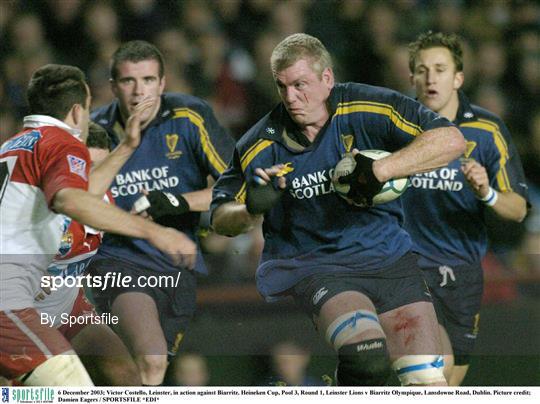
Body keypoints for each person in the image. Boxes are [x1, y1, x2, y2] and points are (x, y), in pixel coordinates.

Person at [211, 33, 466, 386]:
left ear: (327, 79)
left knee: (429, 382)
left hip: (390, 258)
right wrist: (251, 209)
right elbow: (219, 218)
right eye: (282, 86)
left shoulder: (368, 106)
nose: (291, 98)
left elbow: (451, 140)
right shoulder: (259, 144)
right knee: (367, 355)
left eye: (300, 84)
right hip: (317, 264)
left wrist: (381, 169)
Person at [0, 64, 196, 385]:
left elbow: (83, 193)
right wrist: (157, 233)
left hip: (65, 308)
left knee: (124, 378)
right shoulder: (63, 143)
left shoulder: (15, 146)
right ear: (77, 112)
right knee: (72, 388)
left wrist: (128, 146)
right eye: (90, 109)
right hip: (14, 301)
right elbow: (71, 201)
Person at [89, 40, 233, 386]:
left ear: (163, 84)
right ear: (113, 87)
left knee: (147, 372)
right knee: (151, 360)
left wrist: (179, 202)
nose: (139, 92)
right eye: (128, 82)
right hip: (117, 260)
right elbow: (76, 200)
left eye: (149, 80)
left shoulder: (190, 116)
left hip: (178, 262)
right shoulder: (95, 130)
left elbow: (234, 187)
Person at [404, 31, 529, 386]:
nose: (430, 78)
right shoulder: (392, 126)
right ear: (411, 77)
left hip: (460, 274)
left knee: (446, 383)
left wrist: (486, 193)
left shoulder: (487, 131)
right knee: (428, 377)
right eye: (422, 70)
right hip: (403, 269)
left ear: (458, 78)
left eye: (440, 69)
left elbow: (517, 208)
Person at [33, 119, 149, 386]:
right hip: (19, 322)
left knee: (126, 375)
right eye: (87, 169)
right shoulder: (35, 207)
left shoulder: (108, 200)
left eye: (103, 168)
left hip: (70, 311)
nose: (96, 181)